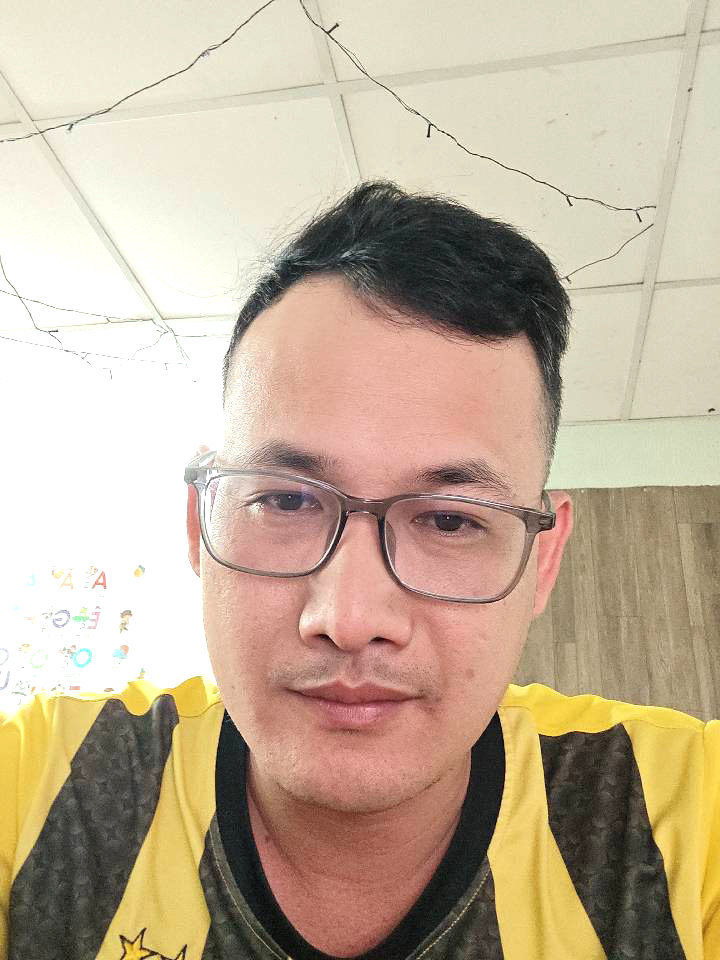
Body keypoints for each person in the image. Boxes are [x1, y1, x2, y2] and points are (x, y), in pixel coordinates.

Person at [1, 181, 717, 960]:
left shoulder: (685, 818)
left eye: (449, 520)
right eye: (285, 500)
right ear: (198, 527)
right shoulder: (45, 786)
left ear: (541, 562)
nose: (348, 618)